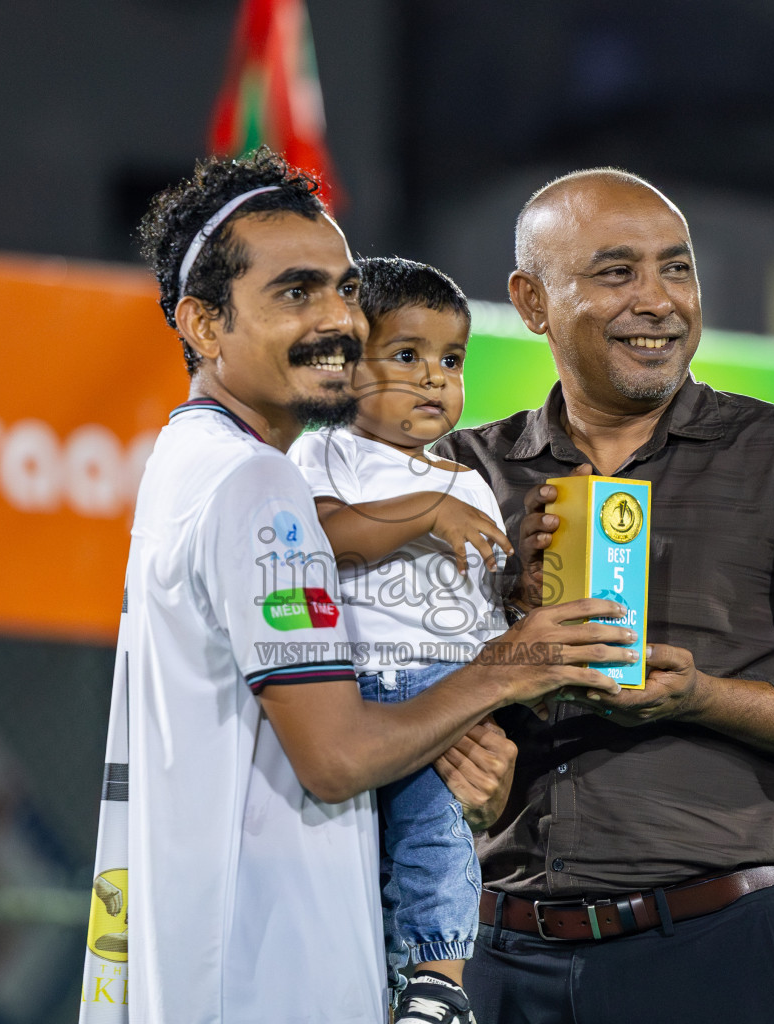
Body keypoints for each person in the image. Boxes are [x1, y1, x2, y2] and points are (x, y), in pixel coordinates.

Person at [106, 148, 638, 1024]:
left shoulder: (187, 461)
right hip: (275, 980)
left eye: (344, 290)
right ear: (203, 324)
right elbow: (339, 758)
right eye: (293, 293)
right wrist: (510, 668)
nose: (336, 321)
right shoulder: (261, 485)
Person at [433, 167, 774, 1023]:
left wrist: (702, 698)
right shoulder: (459, 477)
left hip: (714, 955)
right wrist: (496, 646)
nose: (660, 301)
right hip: (495, 956)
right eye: (617, 272)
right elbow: (380, 704)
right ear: (532, 300)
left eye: (678, 268)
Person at [290, 257, 509, 1023]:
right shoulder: (324, 452)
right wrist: (422, 513)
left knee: (435, 834)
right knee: (350, 857)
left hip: (443, 687)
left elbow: (491, 593)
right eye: (407, 356)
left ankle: (437, 983)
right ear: (347, 366)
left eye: (451, 361)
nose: (433, 379)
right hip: (351, 691)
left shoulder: (470, 481)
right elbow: (321, 536)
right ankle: (384, 972)